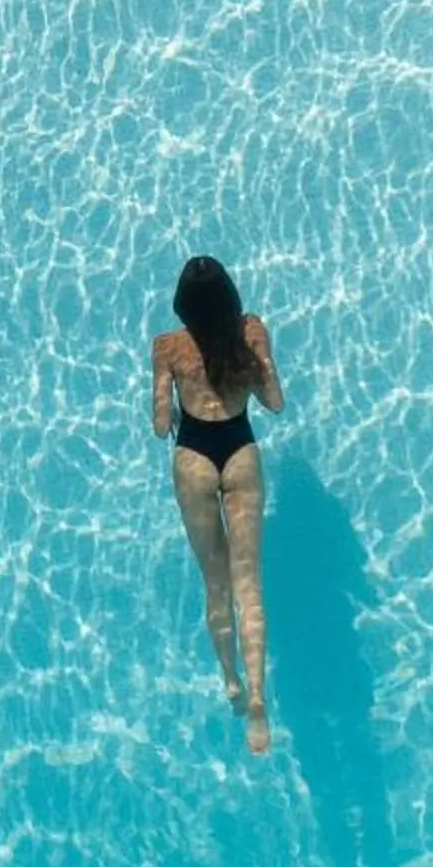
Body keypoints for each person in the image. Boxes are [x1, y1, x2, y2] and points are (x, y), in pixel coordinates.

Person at [150, 255, 284, 754]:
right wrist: (258, 356)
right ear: (230, 294)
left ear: (182, 304)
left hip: (194, 459)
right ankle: (257, 704)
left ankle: (229, 678)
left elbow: (162, 425)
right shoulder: (251, 332)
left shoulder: (167, 346)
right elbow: (274, 401)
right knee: (249, 584)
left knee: (217, 581)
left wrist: (175, 385)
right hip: (240, 450)